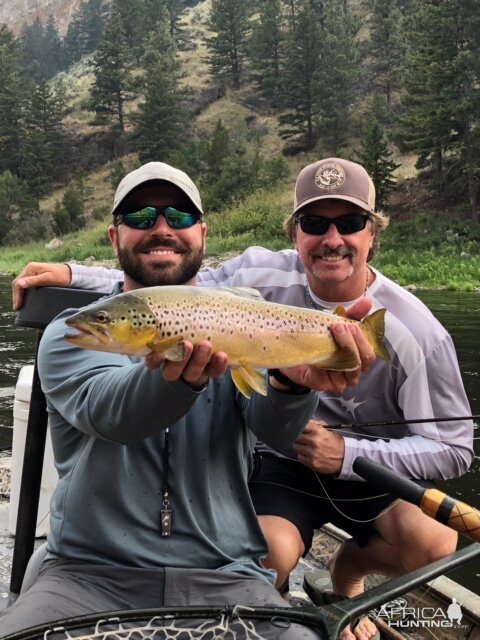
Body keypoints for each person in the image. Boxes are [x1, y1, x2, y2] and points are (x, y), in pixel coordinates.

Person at [12, 158, 474, 640]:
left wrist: (292, 385)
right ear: (114, 238)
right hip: (87, 571)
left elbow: (273, 431)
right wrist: (180, 379)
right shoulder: (70, 334)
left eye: (181, 218)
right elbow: (111, 414)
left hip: (227, 572)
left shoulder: (236, 318)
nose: (163, 229)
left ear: (204, 235)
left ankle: (343, 576)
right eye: (142, 218)